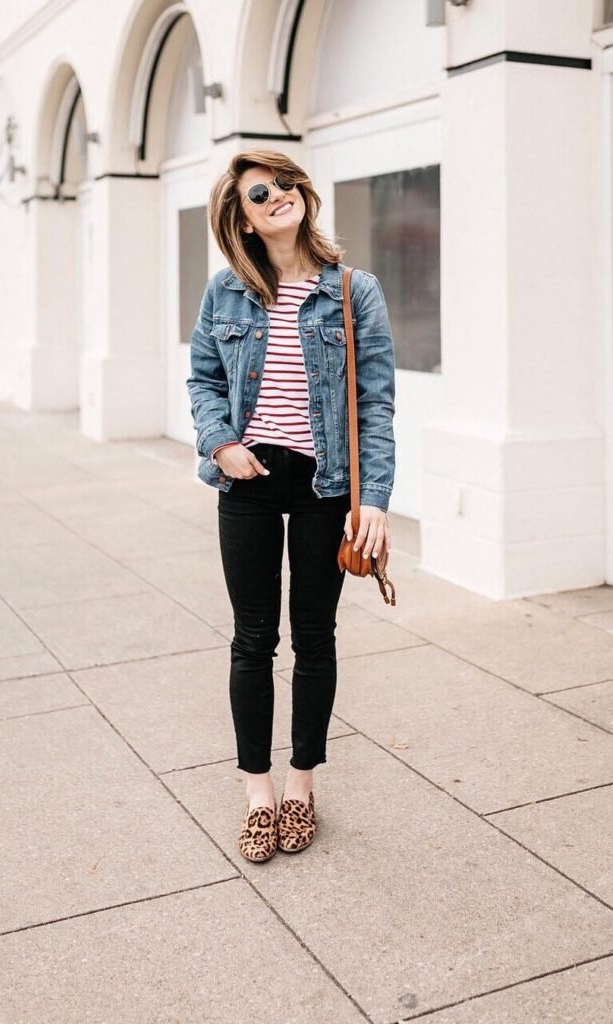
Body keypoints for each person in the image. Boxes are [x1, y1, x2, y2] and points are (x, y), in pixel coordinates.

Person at [186, 149, 396, 863]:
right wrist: (220, 444)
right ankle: (258, 792)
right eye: (259, 193)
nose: (277, 195)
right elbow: (203, 380)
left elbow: (374, 401)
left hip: (322, 485)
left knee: (314, 636)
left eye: (283, 184)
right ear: (242, 220)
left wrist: (375, 499)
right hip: (247, 478)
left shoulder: (353, 290)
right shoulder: (225, 292)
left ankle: (301, 785)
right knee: (252, 640)